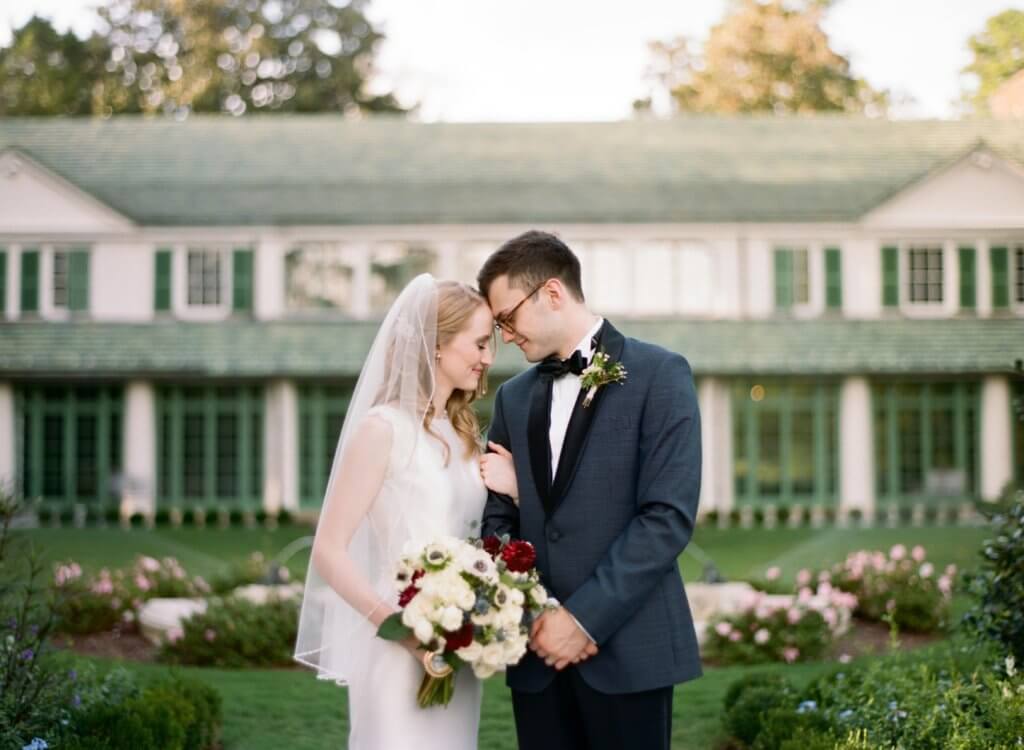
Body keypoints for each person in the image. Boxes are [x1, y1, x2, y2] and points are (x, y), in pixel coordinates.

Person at [476, 230, 703, 750]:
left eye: (507, 317)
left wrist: (582, 621)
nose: (505, 336)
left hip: (629, 652)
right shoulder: (512, 399)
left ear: (552, 293)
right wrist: (535, 615)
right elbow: (498, 523)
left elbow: (666, 516)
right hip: (536, 660)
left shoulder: (661, 374)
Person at [295, 275, 495, 750]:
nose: (488, 358)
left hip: (458, 644)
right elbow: (329, 549)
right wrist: (400, 628)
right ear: (438, 344)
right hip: (397, 641)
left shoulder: (464, 433)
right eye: (481, 343)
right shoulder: (382, 429)